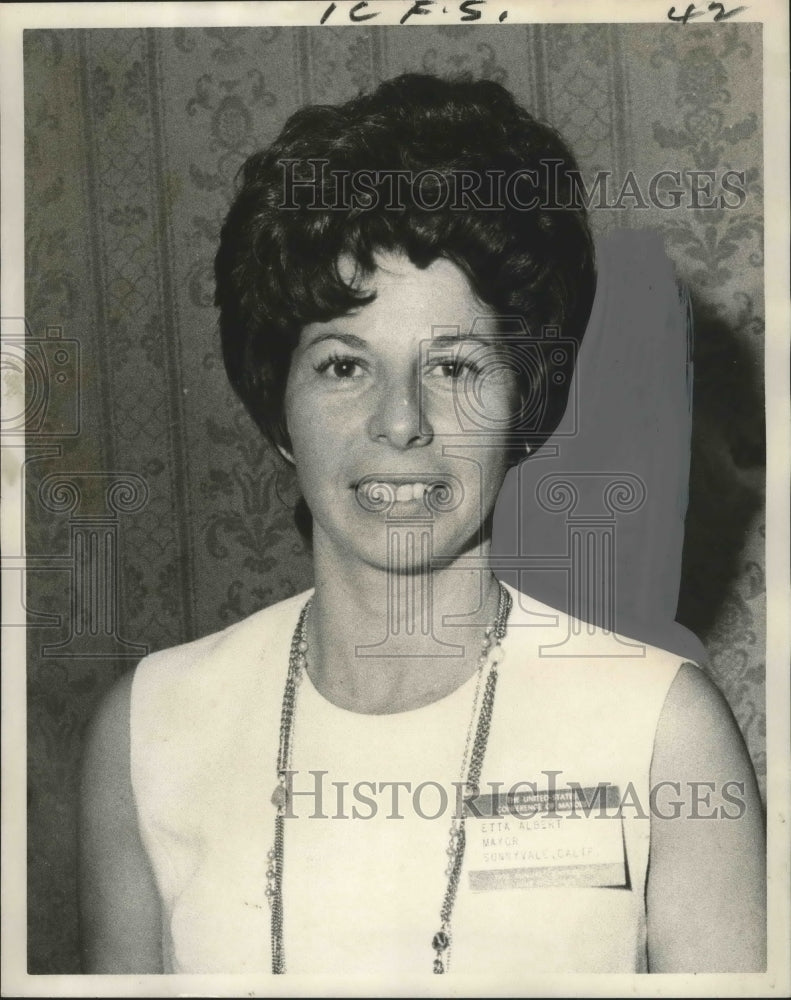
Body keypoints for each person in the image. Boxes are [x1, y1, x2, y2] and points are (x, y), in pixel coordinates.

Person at [79, 73, 765, 976]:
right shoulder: (148, 727)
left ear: (525, 401)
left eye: (452, 367)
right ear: (276, 405)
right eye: (341, 366)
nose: (399, 421)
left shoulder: (664, 731)